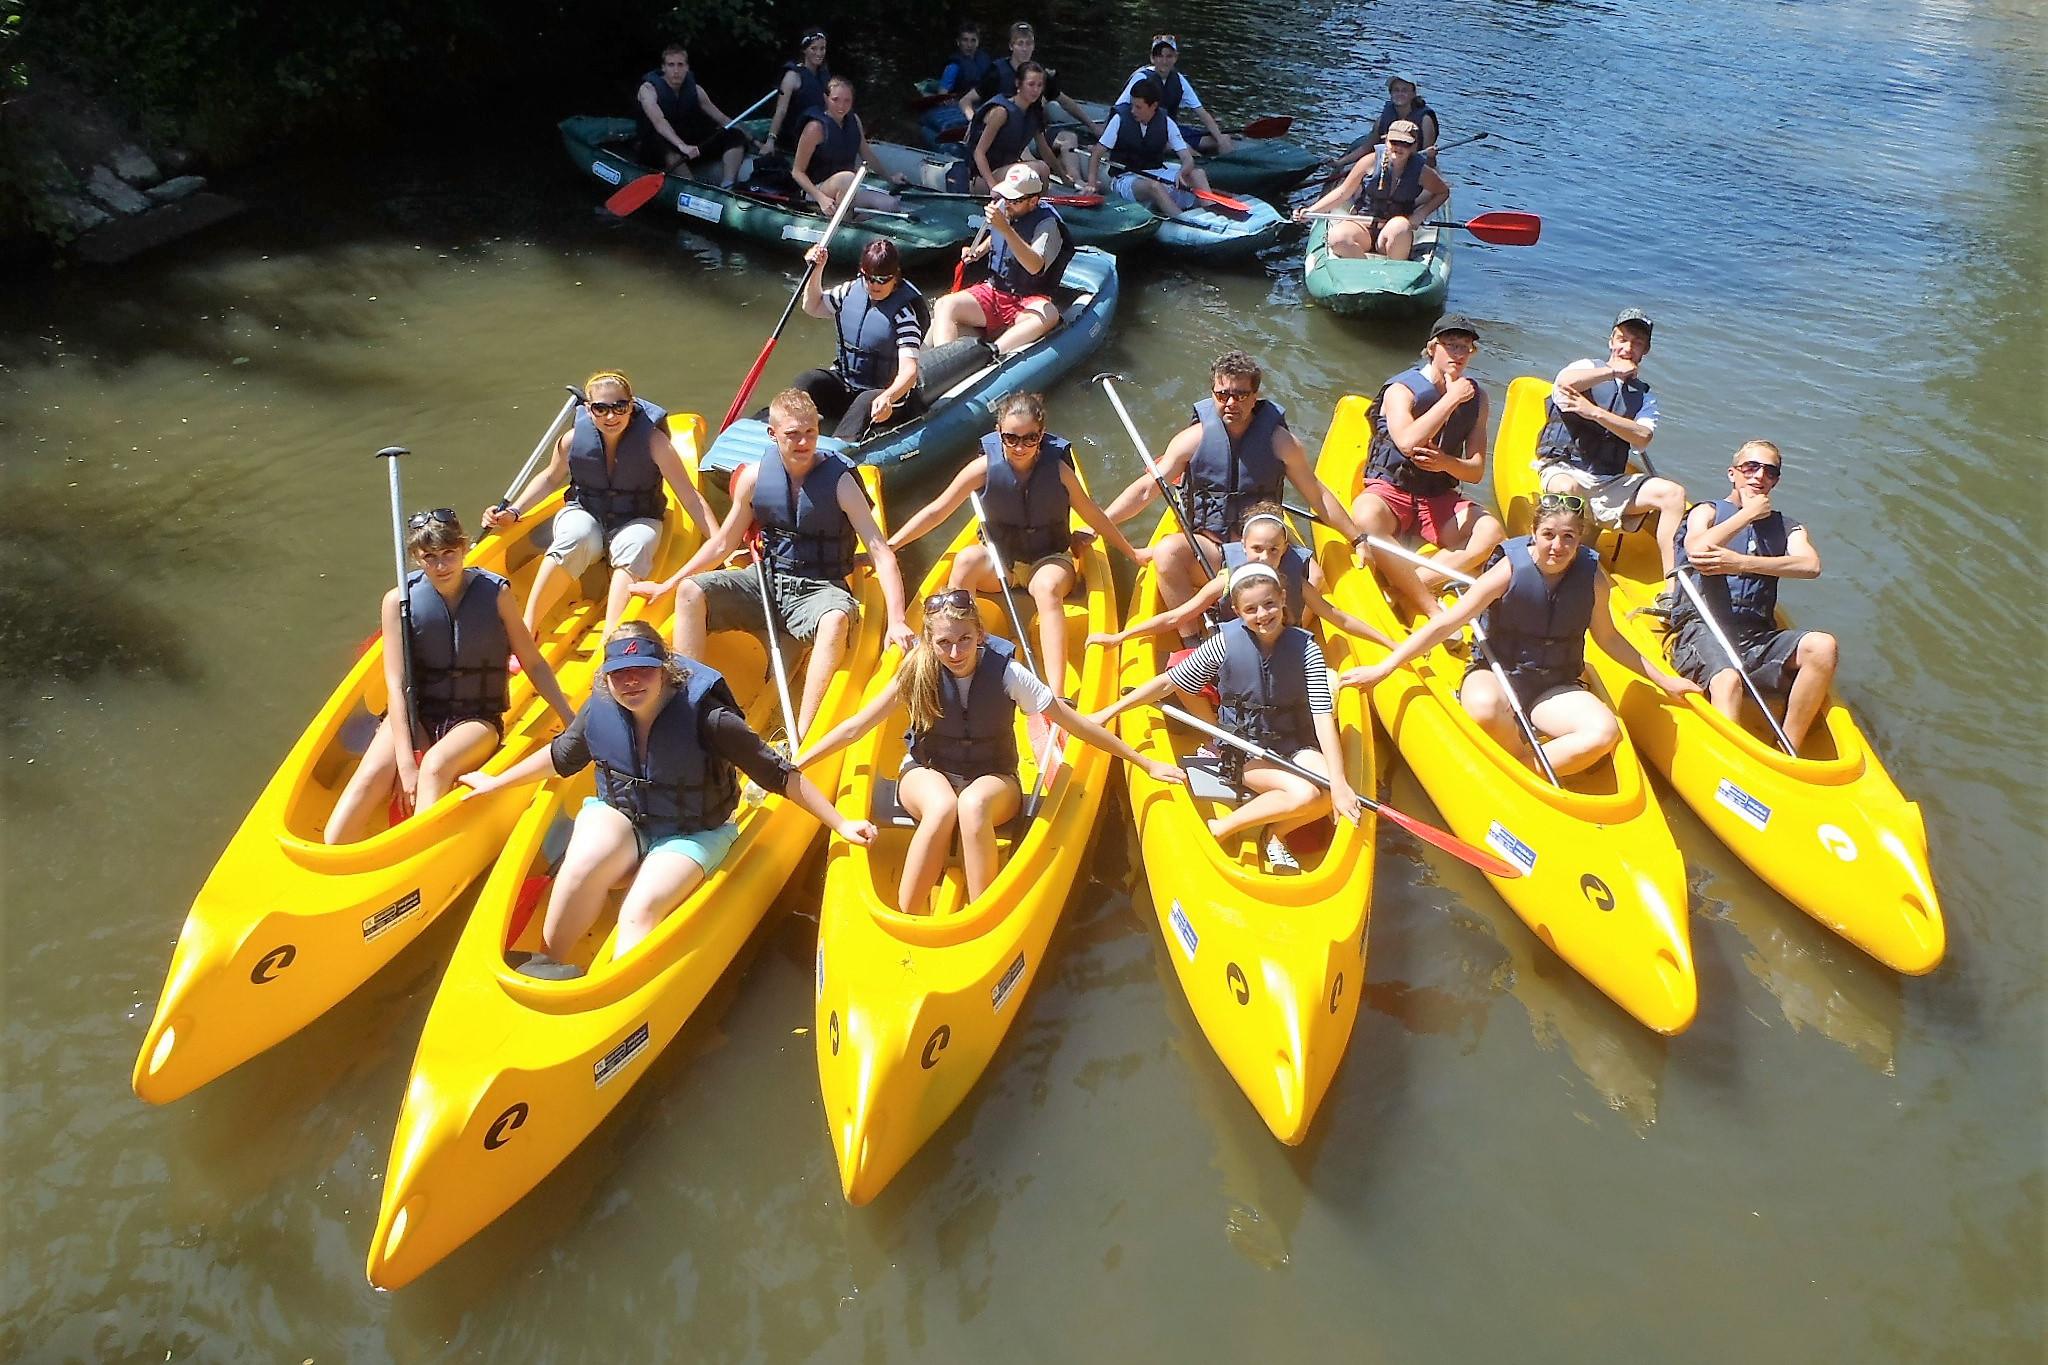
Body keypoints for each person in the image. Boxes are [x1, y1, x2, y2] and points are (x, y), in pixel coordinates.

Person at [458, 624, 875, 977]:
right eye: (620, 674)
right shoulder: (600, 708)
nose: (631, 682)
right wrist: (495, 782)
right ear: (606, 677)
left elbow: (778, 774)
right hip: (626, 817)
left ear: (665, 670)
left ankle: (616, 995)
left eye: (643, 671)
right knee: (578, 868)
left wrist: (839, 823)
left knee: (640, 910)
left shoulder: (709, 718)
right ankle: (551, 963)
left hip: (692, 830)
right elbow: (563, 756)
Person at [795, 593, 1182, 912]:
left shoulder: (1009, 673)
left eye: (964, 638)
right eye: (943, 642)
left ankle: (982, 915)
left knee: (972, 806)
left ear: (979, 633)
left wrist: (1144, 762)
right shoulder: (916, 671)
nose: (955, 651)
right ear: (930, 642)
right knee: (943, 806)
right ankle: (909, 916)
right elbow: (855, 727)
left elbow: (1073, 723)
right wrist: (798, 763)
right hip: (927, 770)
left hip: (993, 779)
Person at [1342, 495, 1699, 777]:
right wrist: (1385, 668)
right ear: (1534, 532)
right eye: (1549, 535)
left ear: (1580, 539)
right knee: (1483, 710)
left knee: (1603, 732)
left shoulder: (1592, 577)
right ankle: (1520, 751)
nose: (1557, 547)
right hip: (1497, 672)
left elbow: (1608, 638)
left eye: (1568, 537)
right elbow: (1447, 623)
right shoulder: (1509, 569)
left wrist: (1665, 680)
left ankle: (1523, 768)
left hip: (1554, 684)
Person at [634, 389, 915, 741]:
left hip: (821, 587)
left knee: (836, 620)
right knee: (692, 591)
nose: (803, 443)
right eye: (792, 435)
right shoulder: (754, 478)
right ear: (772, 434)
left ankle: (804, 735)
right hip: (767, 580)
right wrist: (668, 585)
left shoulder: (841, 481)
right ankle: (691, 706)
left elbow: (880, 551)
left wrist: (898, 620)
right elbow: (722, 543)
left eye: (810, 433)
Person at [325, 509, 576, 845]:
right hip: (418, 714)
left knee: (435, 767)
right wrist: (405, 762)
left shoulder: (495, 593)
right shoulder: (397, 602)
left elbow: (532, 661)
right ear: (416, 558)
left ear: (463, 548)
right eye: (430, 557)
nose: (441, 566)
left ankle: (413, 858)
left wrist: (568, 716)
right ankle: (339, 853)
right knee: (370, 777)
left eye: (448, 554)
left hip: (475, 718)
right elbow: (397, 686)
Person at [1092, 564, 1363, 868]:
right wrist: (1110, 711)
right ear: (1237, 610)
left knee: (1327, 791)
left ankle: (1275, 832)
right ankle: (1220, 828)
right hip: (1244, 749)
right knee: (1305, 795)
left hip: (1295, 744)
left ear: (1283, 598)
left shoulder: (1306, 648)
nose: (1263, 614)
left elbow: (1321, 713)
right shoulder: (1224, 643)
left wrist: (1340, 783)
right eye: (1251, 608)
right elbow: (1170, 682)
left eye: (1269, 604)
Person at [888, 392, 1150, 691]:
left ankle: (1056, 693)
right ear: (999, 432)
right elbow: (936, 511)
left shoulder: (1060, 471)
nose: (1020, 447)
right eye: (1011, 438)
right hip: (1002, 562)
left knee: (1045, 587)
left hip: (1049, 560)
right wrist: (891, 546)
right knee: (965, 561)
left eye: (1030, 438)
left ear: (1041, 434)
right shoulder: (983, 469)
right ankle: (961, 659)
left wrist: (1132, 553)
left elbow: (1093, 514)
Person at [1104, 350, 1369, 614]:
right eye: (1222, 394)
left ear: (1255, 397)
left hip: (1263, 549)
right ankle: (1193, 637)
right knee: (1166, 553)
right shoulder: (1192, 440)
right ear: (1213, 394)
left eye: (1241, 395)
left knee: (1314, 578)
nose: (1231, 402)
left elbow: (1318, 495)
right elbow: (1145, 490)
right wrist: (1100, 524)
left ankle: (1281, 633)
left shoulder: (1281, 443)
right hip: (1210, 547)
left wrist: (1357, 538)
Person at [480, 370, 715, 641]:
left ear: (632, 406)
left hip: (638, 517)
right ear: (589, 410)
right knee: (574, 537)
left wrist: (720, 540)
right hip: (586, 511)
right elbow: (548, 479)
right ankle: (526, 628)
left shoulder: (654, 442)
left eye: (619, 407)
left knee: (633, 545)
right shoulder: (571, 440)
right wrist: (513, 512)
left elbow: (689, 496)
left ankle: (611, 637)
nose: (611, 416)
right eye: (601, 408)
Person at [1668, 441, 1837, 752]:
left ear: (1776, 481)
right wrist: (1746, 515)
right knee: (1728, 680)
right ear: (1733, 474)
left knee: (1823, 647)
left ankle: (1787, 748)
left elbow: (1810, 565)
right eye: (1750, 468)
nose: (1759, 476)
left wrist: (1743, 563)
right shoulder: (1707, 511)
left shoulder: (1788, 527)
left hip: (1755, 635)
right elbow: (1697, 550)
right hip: (1703, 628)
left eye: (1769, 471)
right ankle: (1730, 758)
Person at [1350, 314, 1507, 620]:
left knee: (1491, 532)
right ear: (1433, 348)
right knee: (1364, 516)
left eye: (1466, 347)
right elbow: (1408, 442)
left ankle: (1407, 587)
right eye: (1452, 346)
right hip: (1391, 489)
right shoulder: (1402, 390)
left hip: (1436, 497)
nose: (1459, 354)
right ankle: (1429, 605)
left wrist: (1446, 463)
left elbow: (1475, 471)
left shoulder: (1479, 399)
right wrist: (1451, 399)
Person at [1091, 502, 1389, 650]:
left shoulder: (1293, 584)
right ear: (1241, 547)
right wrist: (1120, 637)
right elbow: (1176, 617)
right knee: (1178, 675)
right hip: (1234, 652)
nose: (1265, 557)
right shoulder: (1226, 580)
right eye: (1257, 549)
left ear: (1285, 549)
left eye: (1274, 550)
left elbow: (1339, 617)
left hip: (1278, 654)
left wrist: (1389, 643)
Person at [1535, 309, 1688, 579]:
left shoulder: (1645, 398)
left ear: (1645, 351)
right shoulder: (1584, 368)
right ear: (1611, 341)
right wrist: (1610, 372)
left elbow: (1642, 437)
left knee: (1673, 494)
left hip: (1609, 481)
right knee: (1568, 489)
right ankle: (1549, 562)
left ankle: (1673, 587)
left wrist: (1594, 412)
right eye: (1622, 339)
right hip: (1565, 468)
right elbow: (1563, 384)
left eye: (1637, 343)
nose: (1627, 348)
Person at [927, 165, 1074, 358]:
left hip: (1028, 299)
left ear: (1033, 201)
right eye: (1005, 197)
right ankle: (943, 363)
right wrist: (979, 251)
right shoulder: (1007, 209)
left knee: (1050, 315)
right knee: (944, 305)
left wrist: (1005, 228)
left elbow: (1035, 265)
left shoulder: (1047, 224)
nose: (1007, 203)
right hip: (996, 291)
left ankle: (995, 352)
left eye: (1015, 200)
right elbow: (996, 236)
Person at [791, 240, 926, 442]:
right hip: (847, 384)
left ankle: (838, 451)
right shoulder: (849, 291)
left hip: (886, 398)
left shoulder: (904, 315)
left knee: (865, 401)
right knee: (807, 381)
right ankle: (790, 433)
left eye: (882, 280)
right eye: (869, 278)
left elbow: (909, 371)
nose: (874, 285)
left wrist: (888, 397)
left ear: (895, 277)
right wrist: (816, 270)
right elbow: (813, 306)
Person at [1292, 118, 1448, 261]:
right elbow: (1343, 192)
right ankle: (1364, 269)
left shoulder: (1422, 171)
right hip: (1363, 225)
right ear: (1386, 141)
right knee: (1337, 238)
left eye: (1405, 144)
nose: (1398, 147)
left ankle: (1394, 270)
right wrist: (1311, 210)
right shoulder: (1369, 161)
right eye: (1394, 142)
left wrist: (1420, 214)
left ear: (1414, 147)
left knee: (1400, 226)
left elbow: (1443, 192)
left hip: (1394, 231)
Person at [1085, 78, 1212, 218]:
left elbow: (1187, 158)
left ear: (1153, 106)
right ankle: (1184, 221)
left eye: (1138, 107)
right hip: (1125, 177)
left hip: (1156, 171)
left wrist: (1183, 171)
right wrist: (1091, 183)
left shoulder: (1166, 122)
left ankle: (1213, 213)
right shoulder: (1120, 120)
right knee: (1154, 186)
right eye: (1132, 105)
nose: (1133, 111)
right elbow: (1097, 152)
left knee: (1197, 173)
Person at [960, 21, 1101, 145]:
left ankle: (1073, 175)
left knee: (1069, 139)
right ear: (1011, 46)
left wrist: (1092, 126)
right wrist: (974, 122)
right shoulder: (996, 73)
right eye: (1020, 43)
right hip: (1005, 134)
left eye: (1028, 43)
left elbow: (1065, 102)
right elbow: (966, 101)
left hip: (1032, 132)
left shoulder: (1039, 74)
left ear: (1033, 46)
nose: (1025, 48)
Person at [633, 44, 752, 188]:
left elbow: (721, 118)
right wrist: (682, 146)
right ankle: (693, 188)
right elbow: (659, 122)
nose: (676, 70)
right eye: (671, 65)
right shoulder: (648, 89)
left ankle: (728, 184)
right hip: (655, 144)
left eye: (680, 65)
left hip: (684, 141)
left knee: (734, 135)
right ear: (663, 68)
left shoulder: (695, 90)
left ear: (687, 67)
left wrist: (754, 140)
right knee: (667, 148)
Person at [791, 76, 909, 215]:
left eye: (847, 100)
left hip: (847, 188)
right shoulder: (815, 128)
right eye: (835, 100)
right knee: (847, 178)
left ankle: (854, 219)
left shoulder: (854, 120)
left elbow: (867, 154)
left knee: (890, 204)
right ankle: (843, 218)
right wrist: (821, 198)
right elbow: (797, 172)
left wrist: (890, 178)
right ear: (825, 98)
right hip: (817, 190)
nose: (841, 106)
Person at [949, 60, 1068, 194]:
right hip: (983, 179)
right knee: (1036, 169)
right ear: (1018, 84)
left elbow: (1045, 150)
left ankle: (1039, 204)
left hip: (1007, 172)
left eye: (1039, 85)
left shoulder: (1033, 113)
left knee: (1044, 168)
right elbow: (979, 152)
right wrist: (993, 187)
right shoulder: (1001, 112)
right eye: (1031, 84)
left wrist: (1064, 178)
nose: (1036, 90)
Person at [1112, 35, 1234, 156]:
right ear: (1152, 58)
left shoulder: (1179, 80)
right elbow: (1120, 110)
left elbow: (1201, 112)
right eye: (1159, 56)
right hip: (1144, 132)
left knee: (1224, 138)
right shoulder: (1142, 78)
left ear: (1175, 58)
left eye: (1169, 56)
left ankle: (1227, 167)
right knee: (1187, 150)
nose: (1164, 61)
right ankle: (1201, 166)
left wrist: (1219, 139)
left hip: (1170, 129)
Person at [1329, 75, 1440, 171]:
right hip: (1387, 163)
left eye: (1404, 90)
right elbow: (1366, 148)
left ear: (1413, 94)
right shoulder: (1382, 119)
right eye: (1396, 90)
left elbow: (1427, 157)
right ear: (1390, 93)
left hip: (1414, 166)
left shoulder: (1425, 120)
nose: (1400, 94)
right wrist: (1340, 163)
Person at [762, 29, 832, 158]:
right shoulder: (792, 76)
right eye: (814, 48)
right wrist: (770, 140)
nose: (819, 53)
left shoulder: (824, 76)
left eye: (822, 48)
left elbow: (829, 108)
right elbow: (781, 110)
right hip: (795, 135)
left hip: (817, 132)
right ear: (804, 50)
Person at [922, 21, 994, 138]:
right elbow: (942, 96)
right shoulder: (953, 67)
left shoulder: (984, 60)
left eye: (973, 40)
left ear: (978, 43)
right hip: (960, 105)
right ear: (958, 42)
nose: (969, 45)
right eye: (965, 40)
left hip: (981, 103)